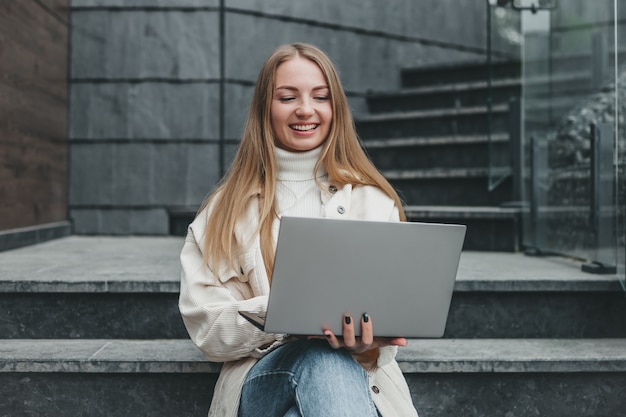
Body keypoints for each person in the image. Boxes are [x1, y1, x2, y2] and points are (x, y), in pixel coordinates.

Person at [179, 42, 419, 417]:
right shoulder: (224, 210)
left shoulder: (374, 202)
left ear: (334, 108)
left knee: (322, 377)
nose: (306, 109)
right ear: (265, 109)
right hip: (263, 381)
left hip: (354, 386)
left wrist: (363, 343)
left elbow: (387, 338)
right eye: (287, 97)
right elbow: (208, 330)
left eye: (320, 97)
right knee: (319, 356)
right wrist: (288, 314)